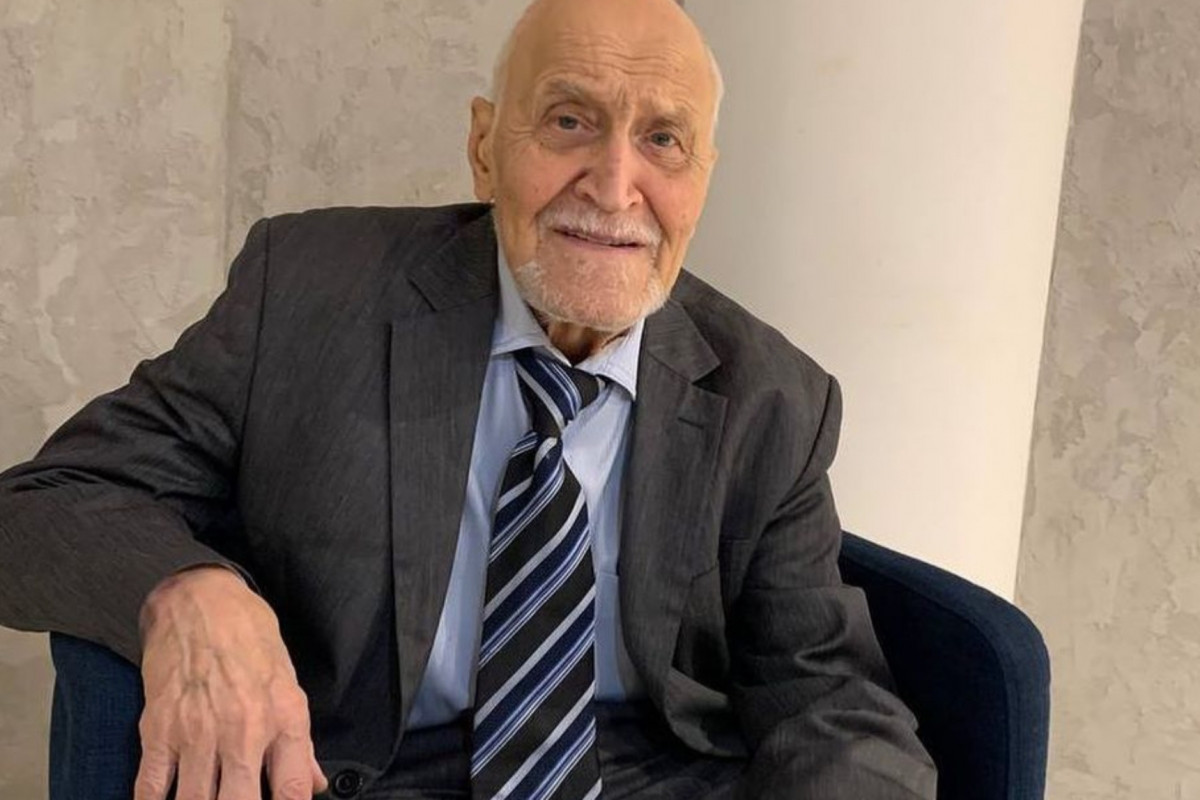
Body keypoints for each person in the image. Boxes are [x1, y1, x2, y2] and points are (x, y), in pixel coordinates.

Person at [0, 0, 937, 797]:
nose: (615, 187)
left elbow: (825, 696)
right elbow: (40, 506)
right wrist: (187, 592)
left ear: (702, 179)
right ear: (484, 147)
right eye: (568, 121)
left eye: (662, 139)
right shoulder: (309, 295)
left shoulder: (771, 396)